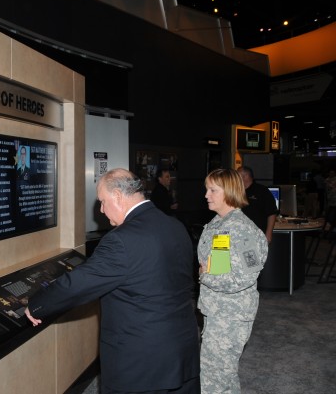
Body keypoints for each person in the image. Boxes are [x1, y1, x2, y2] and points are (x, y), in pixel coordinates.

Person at [24, 168, 200, 394]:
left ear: (117, 196)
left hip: (142, 364)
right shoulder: (174, 226)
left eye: (102, 201)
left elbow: (78, 284)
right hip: (182, 349)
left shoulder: (121, 240)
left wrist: (36, 305)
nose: (101, 209)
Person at [197, 168, 268, 394]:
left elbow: (242, 278)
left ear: (228, 192)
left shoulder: (243, 230)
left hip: (231, 315)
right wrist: (209, 272)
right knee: (218, 374)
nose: (207, 195)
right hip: (217, 310)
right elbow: (220, 266)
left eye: (212, 190)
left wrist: (205, 274)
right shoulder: (219, 223)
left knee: (217, 377)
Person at [236, 166, 278, 243]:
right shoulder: (237, 191)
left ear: (245, 176)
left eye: (237, 176)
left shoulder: (262, 191)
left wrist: (268, 234)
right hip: (239, 234)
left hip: (258, 235)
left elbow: (272, 213)